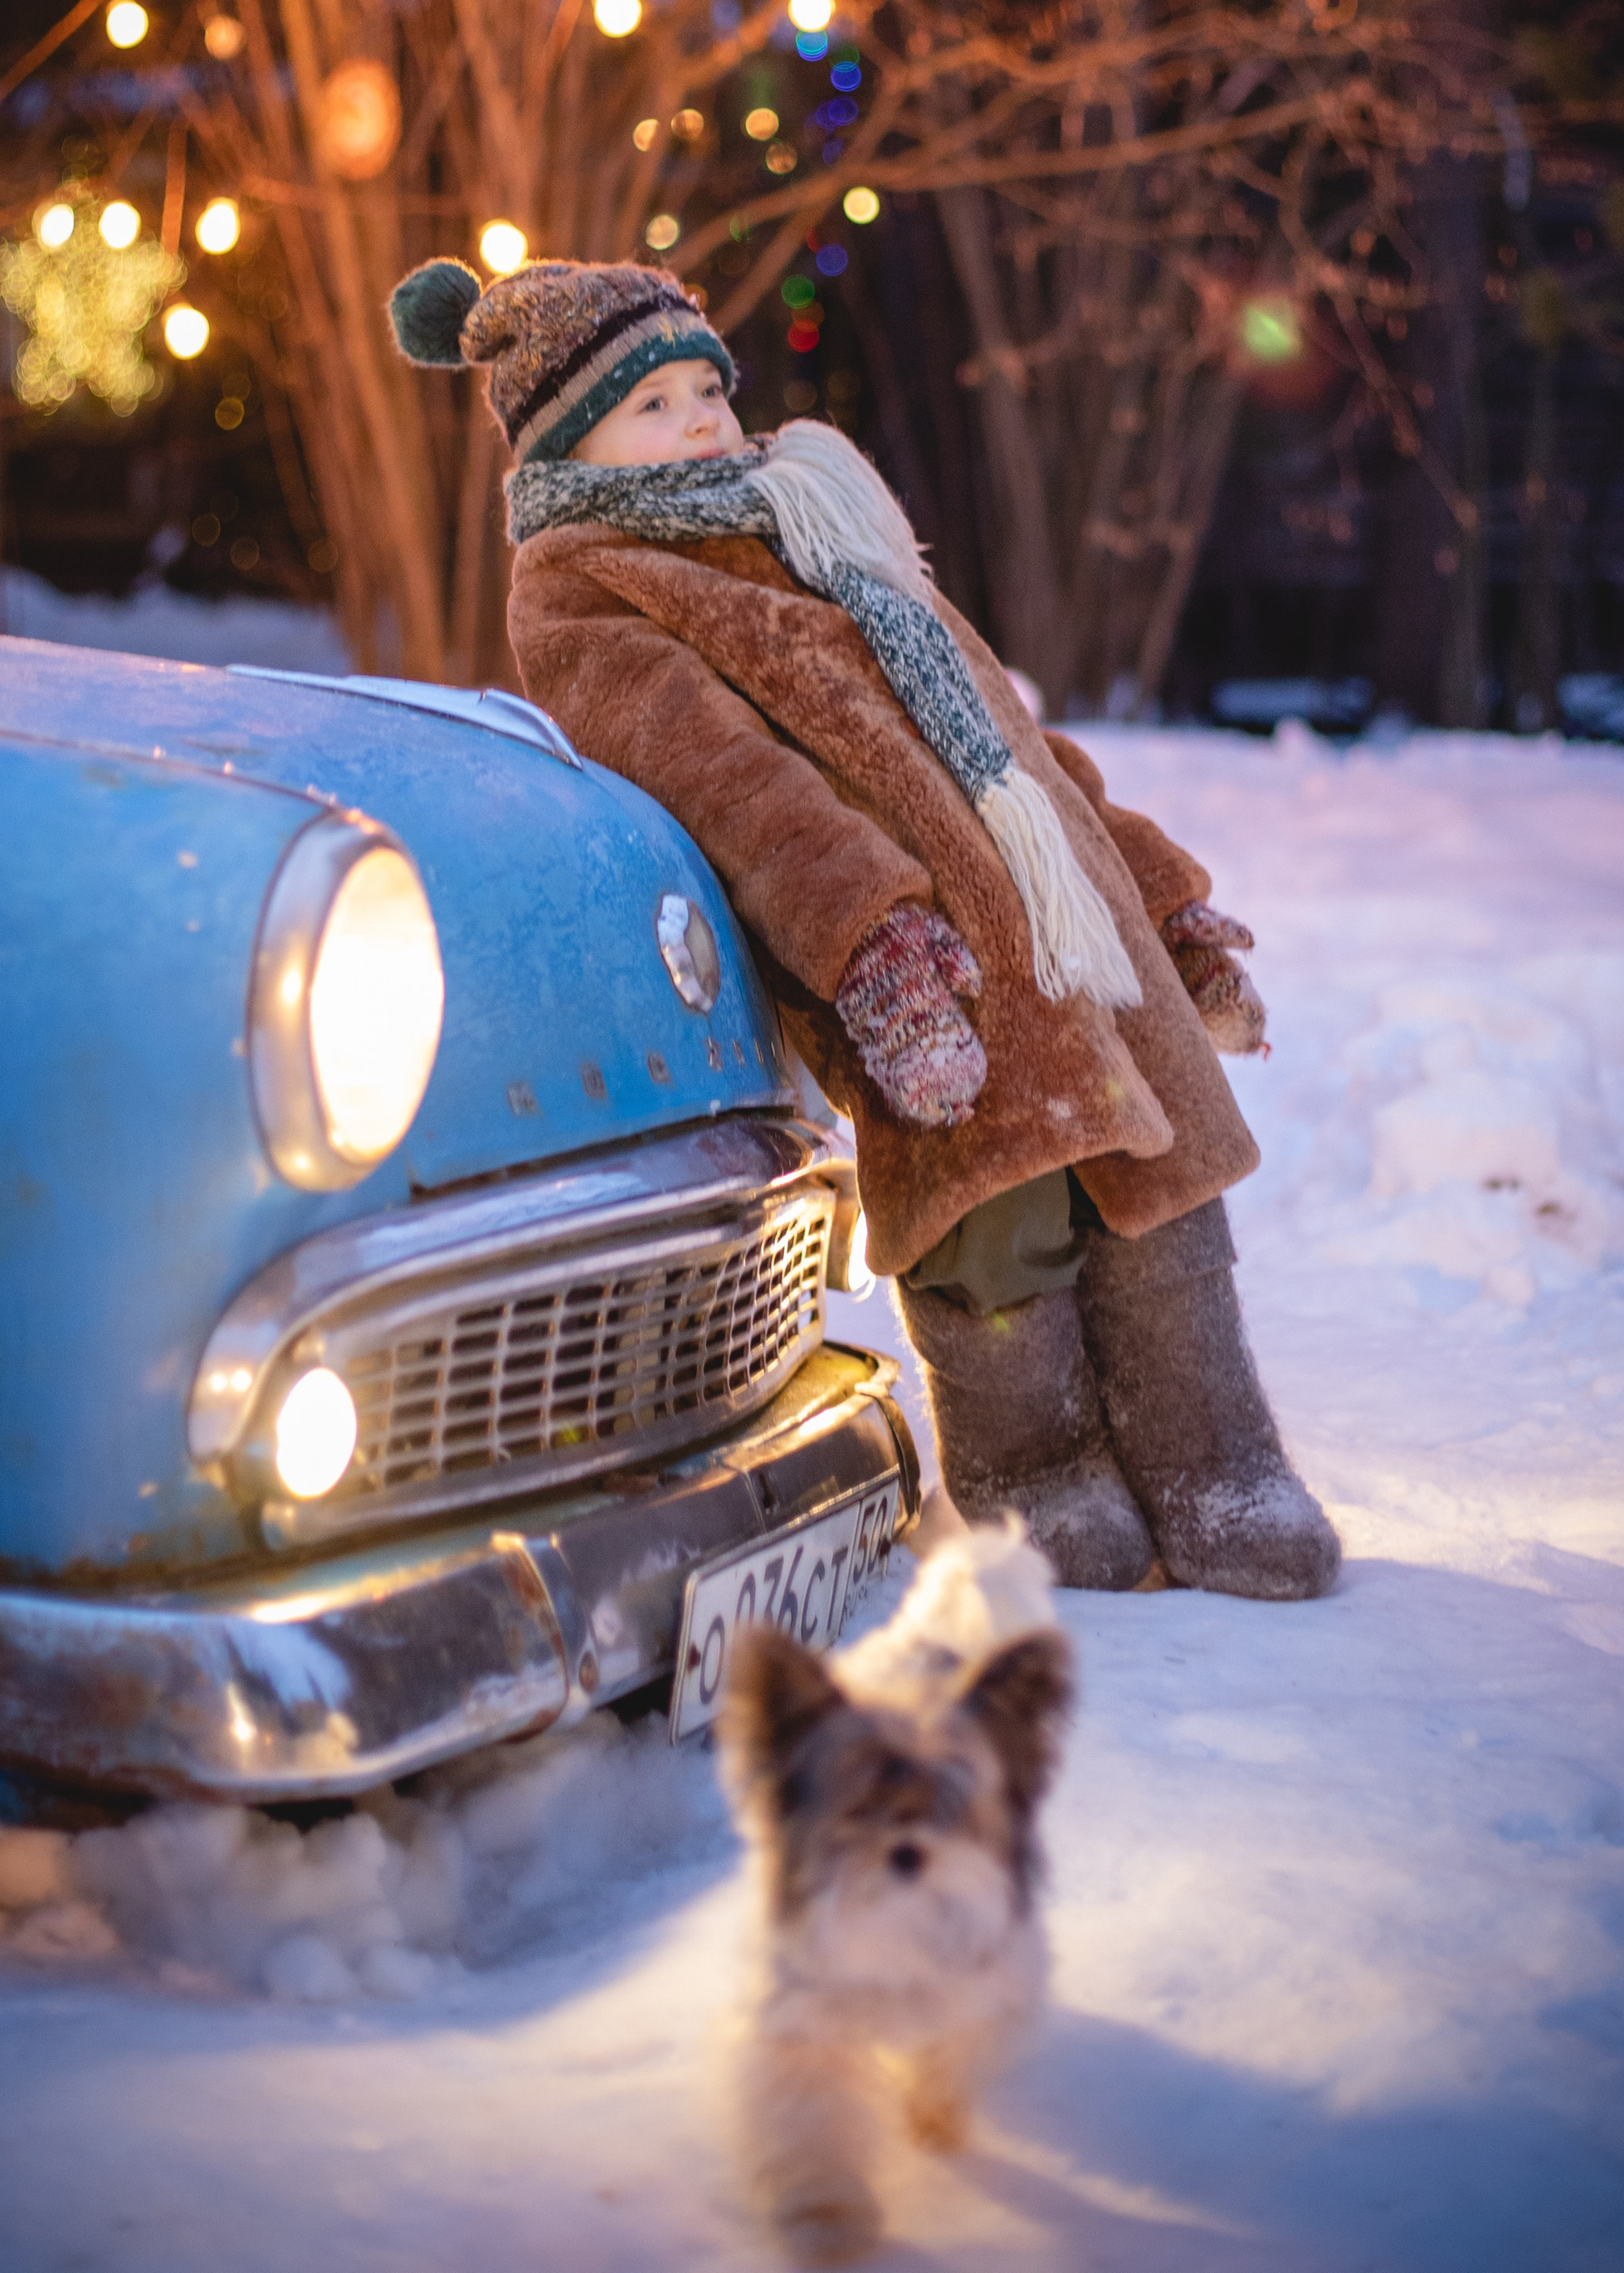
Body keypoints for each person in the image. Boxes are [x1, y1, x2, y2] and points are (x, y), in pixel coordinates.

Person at [388, 251, 1338, 1600]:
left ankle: (1220, 1467)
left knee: (1163, 1194)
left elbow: (1007, 731)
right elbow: (722, 781)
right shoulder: (589, 585)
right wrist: (869, 944)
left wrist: (1157, 897)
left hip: (1064, 916)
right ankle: (1040, 1478)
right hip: (919, 950)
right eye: (651, 406)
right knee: (1000, 1218)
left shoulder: (821, 520)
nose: (702, 422)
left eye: (704, 389)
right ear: (568, 440)